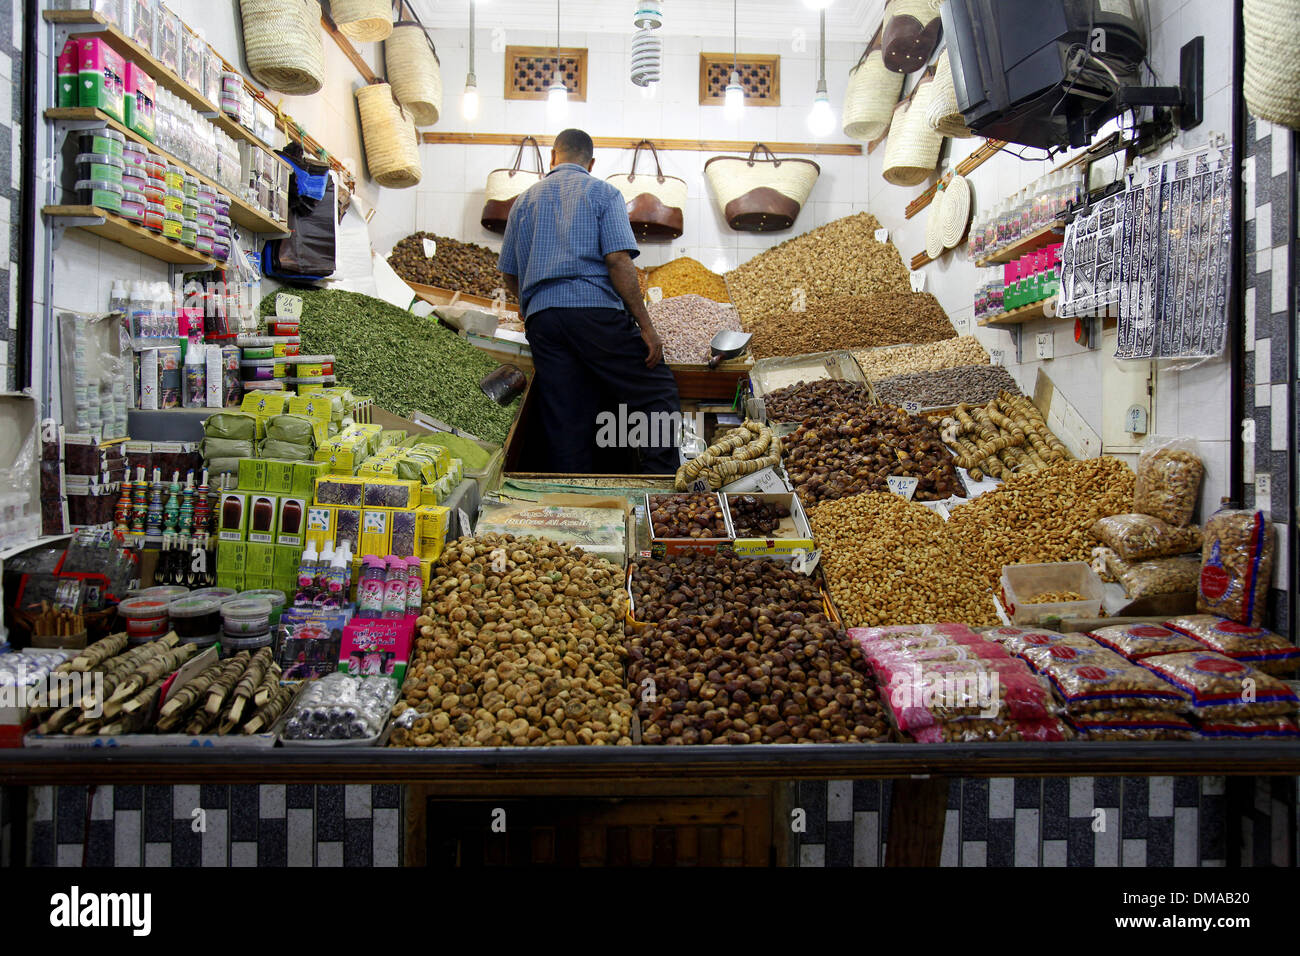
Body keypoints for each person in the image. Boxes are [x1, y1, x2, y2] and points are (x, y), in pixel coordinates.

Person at [498, 128, 681, 474]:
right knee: (656, 390)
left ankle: (572, 500)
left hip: (544, 321)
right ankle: (660, 482)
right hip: (594, 312)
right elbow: (618, 261)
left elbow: (508, 271)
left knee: (566, 411)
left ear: (553, 156)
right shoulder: (604, 194)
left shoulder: (523, 201)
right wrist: (646, 326)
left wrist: (528, 306)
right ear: (591, 162)